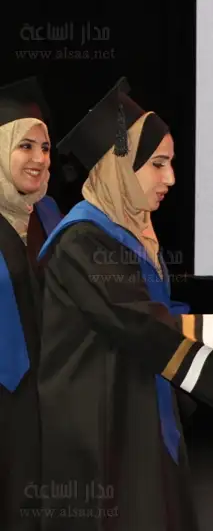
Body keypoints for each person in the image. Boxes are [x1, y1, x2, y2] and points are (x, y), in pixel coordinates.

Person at [34, 77, 213, 531]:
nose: (171, 179)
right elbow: (142, 322)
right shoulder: (82, 241)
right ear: (119, 167)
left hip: (136, 404)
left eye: (171, 163)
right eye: (158, 164)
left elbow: (158, 315)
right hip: (101, 423)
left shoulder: (129, 231)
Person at [0, 77, 63, 531]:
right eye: (25, 146)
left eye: (45, 148)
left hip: (49, 393)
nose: (40, 159)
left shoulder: (50, 213)